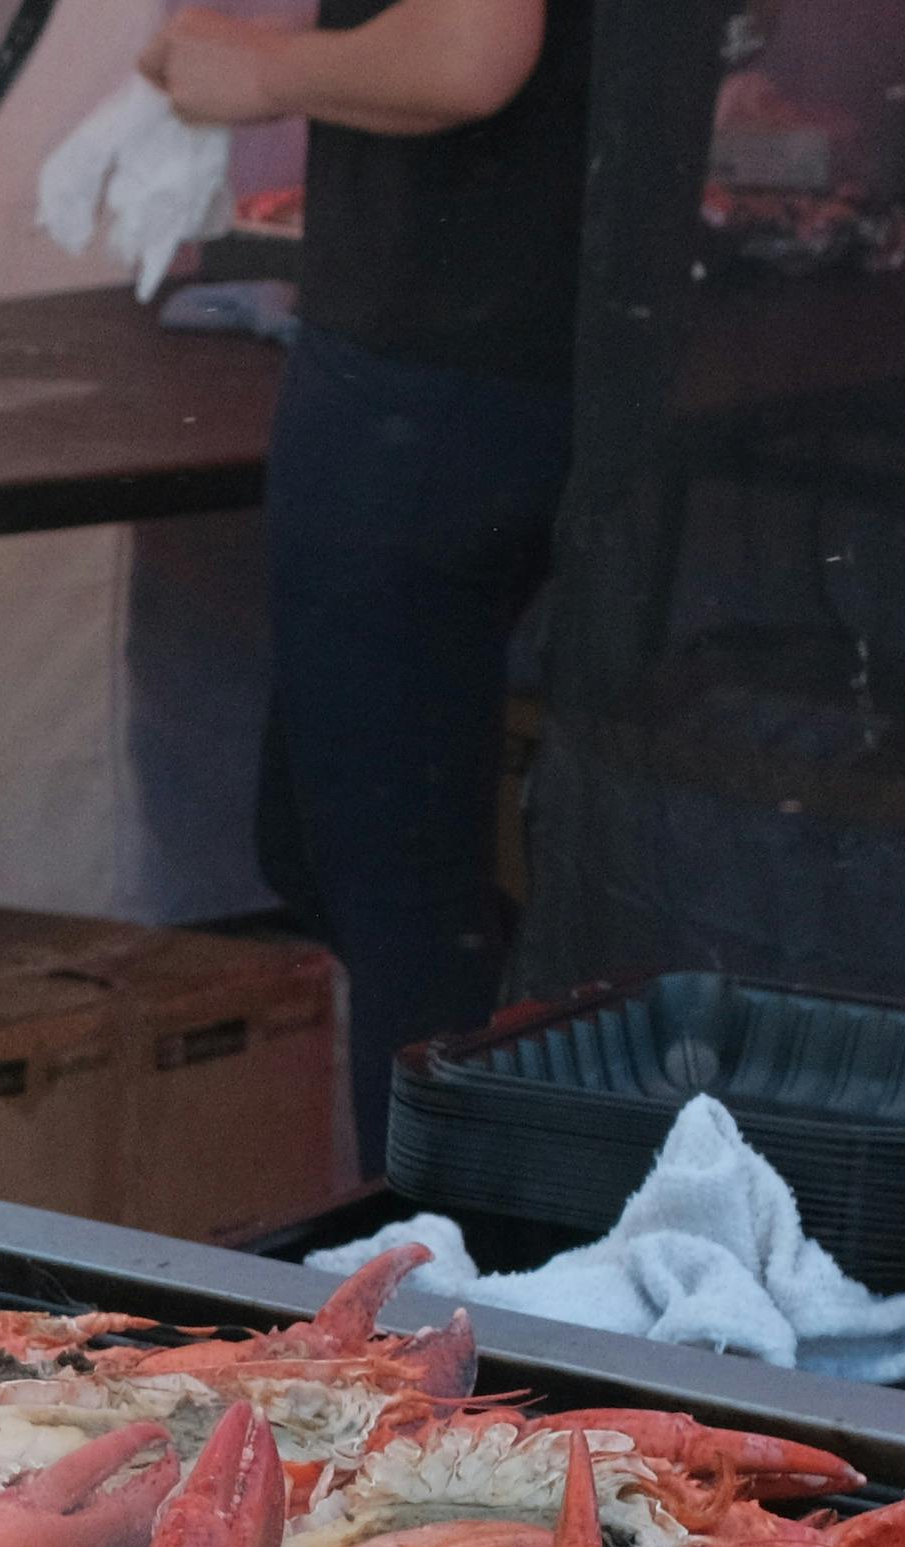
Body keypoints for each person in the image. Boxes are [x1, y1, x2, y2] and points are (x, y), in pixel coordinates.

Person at [148, 0, 590, 1163]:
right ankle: (492, 1216)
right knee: (341, 848)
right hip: (516, 353)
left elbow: (469, 54)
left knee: (390, 887)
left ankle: (445, 1281)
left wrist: (264, 72)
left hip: (428, 366)